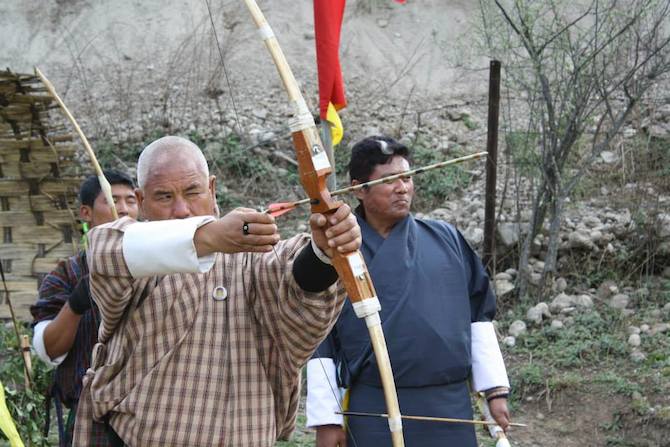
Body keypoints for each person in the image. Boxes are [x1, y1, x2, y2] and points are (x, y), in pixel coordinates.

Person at [72, 135, 361, 446]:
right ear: (141, 202)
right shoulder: (136, 254)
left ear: (211, 189)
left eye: (193, 191)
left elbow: (293, 281)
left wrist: (322, 252)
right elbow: (104, 249)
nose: (182, 209)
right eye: (164, 197)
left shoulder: (255, 257)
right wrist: (211, 236)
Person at [306, 136, 511, 447]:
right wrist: (327, 418)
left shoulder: (447, 239)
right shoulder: (336, 253)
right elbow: (320, 337)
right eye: (390, 180)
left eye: (407, 178)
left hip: (448, 406)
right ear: (359, 189)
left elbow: (479, 312)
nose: (403, 188)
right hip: (375, 405)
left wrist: (494, 390)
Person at [30, 170, 139, 446]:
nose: (124, 209)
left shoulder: (155, 268)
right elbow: (49, 348)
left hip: (147, 413)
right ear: (86, 213)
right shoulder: (66, 274)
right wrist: (77, 303)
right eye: (113, 201)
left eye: (131, 200)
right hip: (89, 417)